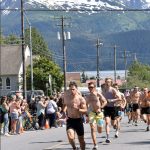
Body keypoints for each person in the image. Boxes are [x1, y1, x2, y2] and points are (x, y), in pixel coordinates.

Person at [62, 81, 87, 150]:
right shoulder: (66, 97)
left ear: (76, 89)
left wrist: (78, 109)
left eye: (73, 89)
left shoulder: (80, 99)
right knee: (70, 136)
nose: (71, 91)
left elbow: (85, 110)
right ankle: (74, 147)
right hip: (70, 119)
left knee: (81, 140)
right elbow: (64, 104)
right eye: (70, 89)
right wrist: (63, 111)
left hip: (78, 120)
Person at [86, 82, 107, 150]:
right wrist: (86, 113)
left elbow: (105, 101)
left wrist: (101, 107)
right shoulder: (87, 96)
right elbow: (85, 104)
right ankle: (95, 145)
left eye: (92, 87)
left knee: (100, 130)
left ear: (94, 88)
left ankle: (100, 128)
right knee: (92, 128)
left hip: (99, 113)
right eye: (89, 87)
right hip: (91, 113)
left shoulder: (98, 94)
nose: (90, 88)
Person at [102, 78, 121, 143]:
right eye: (106, 82)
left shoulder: (113, 90)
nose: (107, 83)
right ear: (105, 82)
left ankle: (115, 126)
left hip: (113, 108)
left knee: (113, 124)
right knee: (107, 122)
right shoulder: (103, 90)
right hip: (106, 108)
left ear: (111, 83)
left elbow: (119, 98)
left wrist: (112, 100)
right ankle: (107, 137)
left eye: (109, 82)